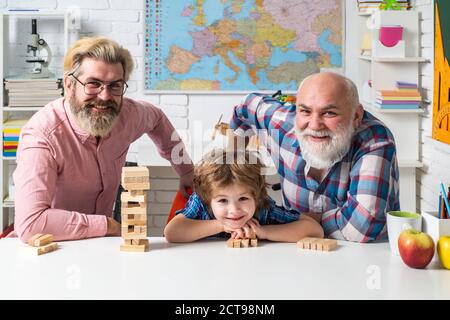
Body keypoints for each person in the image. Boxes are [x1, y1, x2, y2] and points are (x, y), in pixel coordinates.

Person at [13, 37, 194, 242]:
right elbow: (31, 224)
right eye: (93, 84)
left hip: (101, 246)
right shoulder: (41, 136)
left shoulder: (129, 114)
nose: (105, 96)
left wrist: (186, 170)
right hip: (54, 247)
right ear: (69, 85)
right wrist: (107, 225)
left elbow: (158, 120)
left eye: (115, 86)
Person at [230, 72, 400, 242]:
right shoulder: (282, 124)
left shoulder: (376, 141)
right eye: (305, 111)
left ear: (356, 116)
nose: (314, 125)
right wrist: (234, 170)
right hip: (293, 253)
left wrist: (297, 222)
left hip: (362, 257)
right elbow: (244, 108)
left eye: (329, 113)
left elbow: (361, 227)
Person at [164, 149, 323, 243]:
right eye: (222, 200)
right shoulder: (201, 202)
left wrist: (264, 232)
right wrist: (221, 226)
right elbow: (171, 232)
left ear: (257, 196)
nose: (234, 210)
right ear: (208, 198)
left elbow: (314, 230)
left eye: (243, 198)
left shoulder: (262, 207)